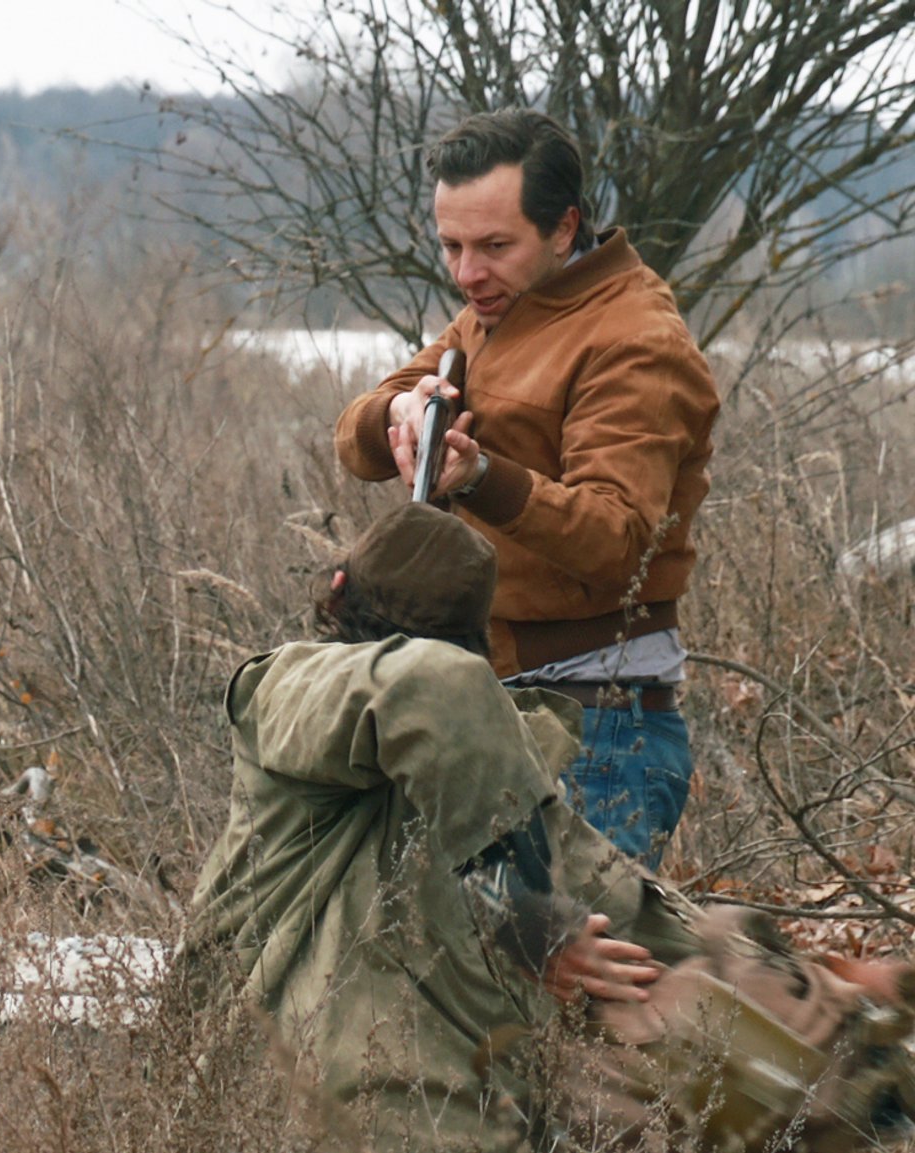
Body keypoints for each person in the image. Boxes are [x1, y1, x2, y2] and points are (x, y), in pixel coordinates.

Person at [178, 505, 915, 1151]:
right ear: (480, 643)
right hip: (265, 1110)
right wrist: (524, 914)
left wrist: (839, 993)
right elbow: (427, 686)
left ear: (339, 594)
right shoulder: (295, 691)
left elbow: (639, 917)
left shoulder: (503, 783)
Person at [333, 108, 719, 866]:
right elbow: (354, 438)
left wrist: (478, 475)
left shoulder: (635, 339)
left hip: (596, 727)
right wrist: (401, 411)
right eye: (451, 245)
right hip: (490, 703)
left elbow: (618, 540)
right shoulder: (497, 308)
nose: (466, 272)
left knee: (568, 979)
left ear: (564, 228)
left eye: (493, 246)